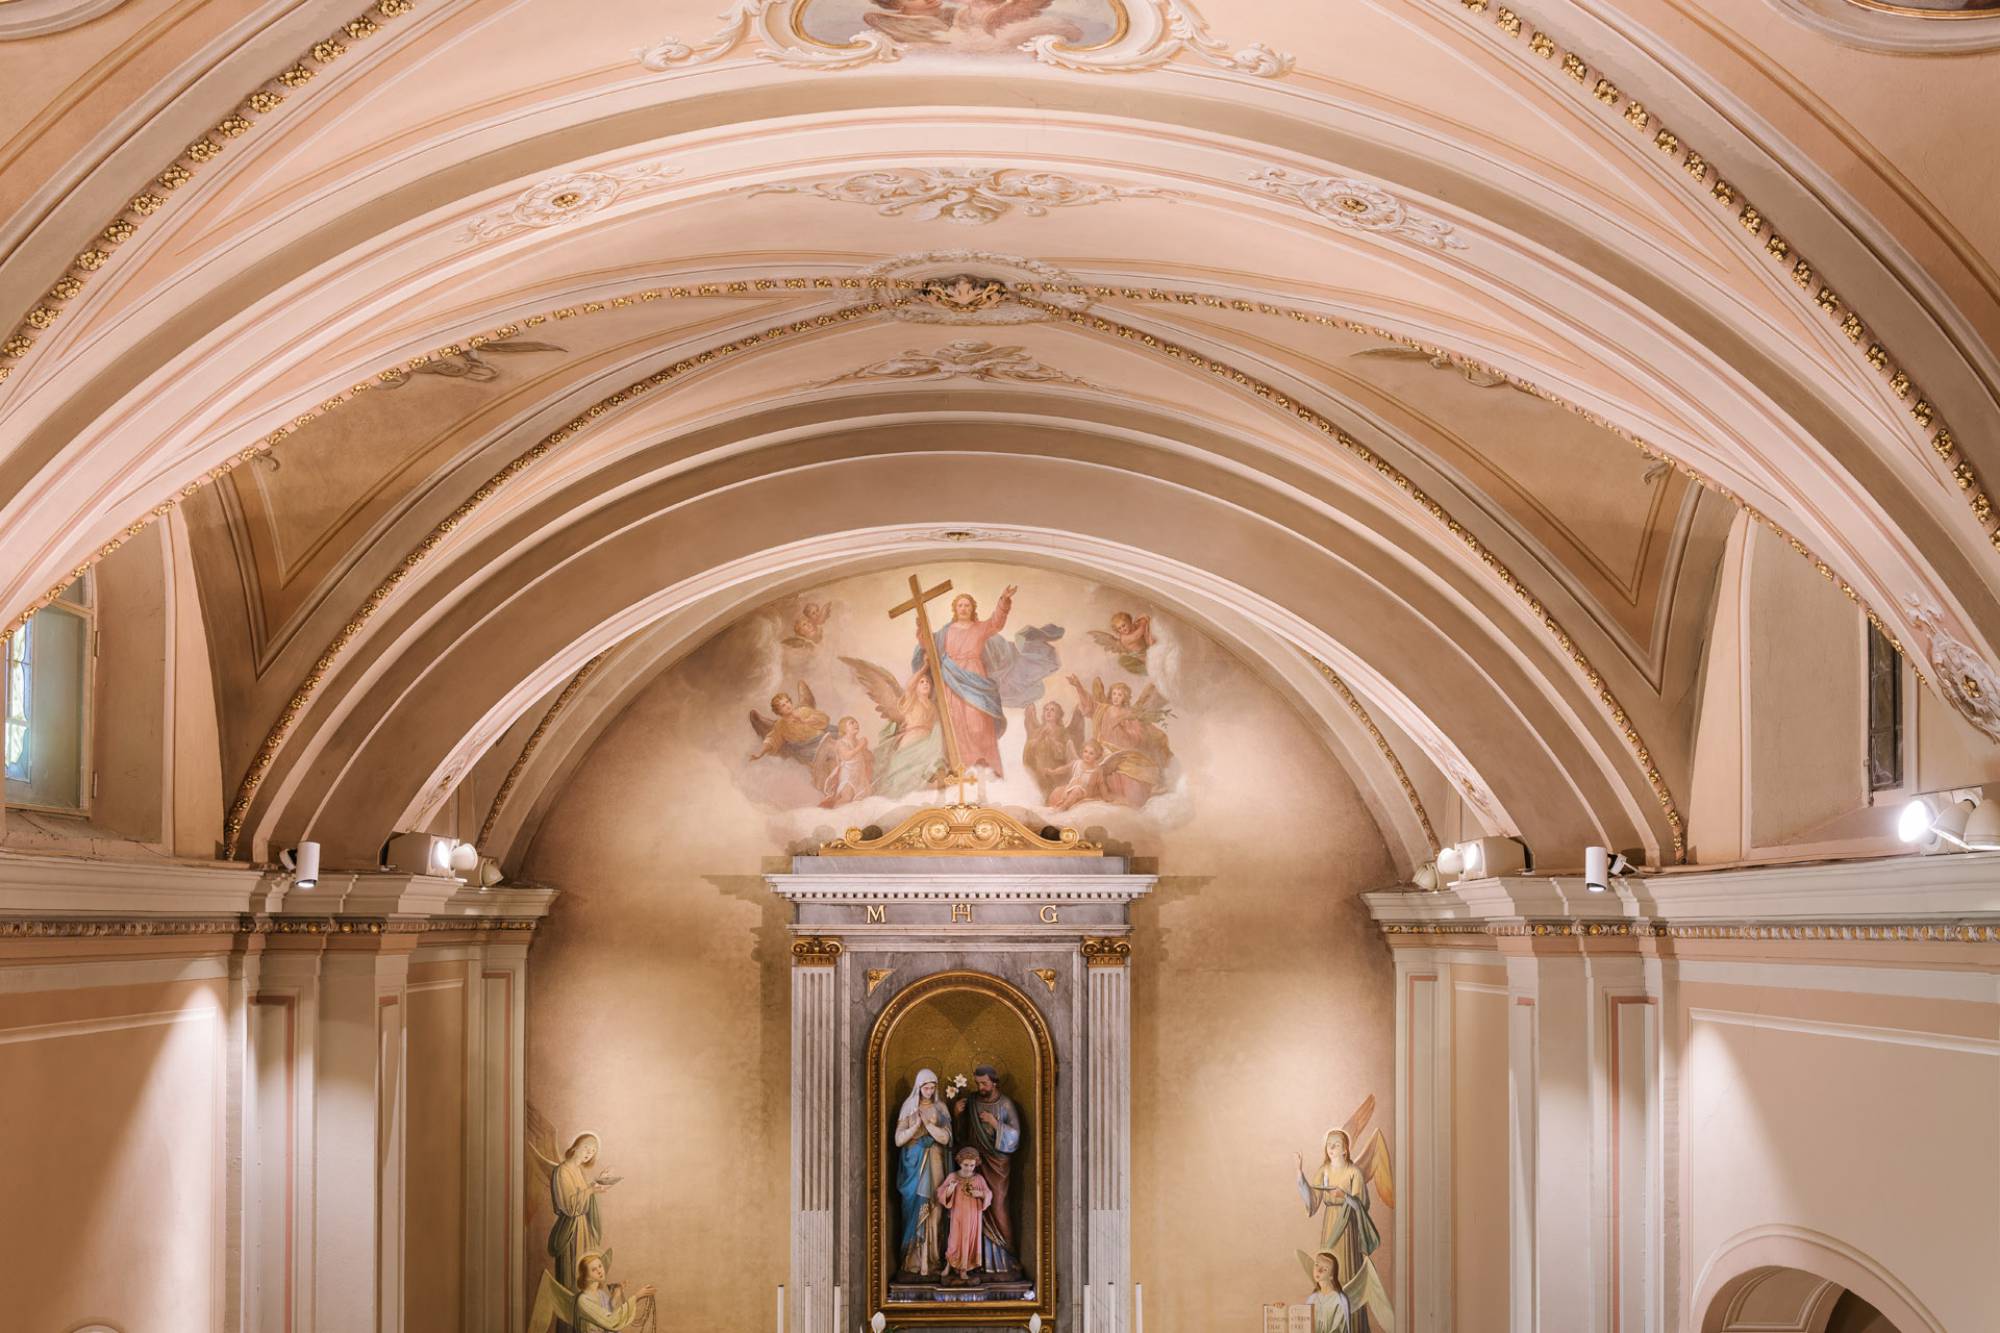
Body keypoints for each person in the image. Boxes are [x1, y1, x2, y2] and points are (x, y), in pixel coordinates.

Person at [914, 587, 1063, 776]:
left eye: (967, 605)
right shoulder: (946, 632)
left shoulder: (980, 628)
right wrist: (921, 628)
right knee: (955, 722)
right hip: (951, 679)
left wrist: (1003, 601)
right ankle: (959, 768)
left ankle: (983, 765)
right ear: (955, 609)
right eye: (960, 605)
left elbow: (996, 623)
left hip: (975, 677)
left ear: (972, 608)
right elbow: (928, 644)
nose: (963, 608)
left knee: (978, 724)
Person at [950, 1065, 1023, 1275]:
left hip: (997, 1163)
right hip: (975, 1163)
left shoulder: (1005, 1104)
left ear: (994, 1082)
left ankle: (1007, 1254)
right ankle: (975, 1259)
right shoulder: (972, 1101)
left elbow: (1016, 1136)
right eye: (978, 1083)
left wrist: (995, 1123)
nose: (980, 1087)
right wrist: (957, 1115)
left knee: (998, 1205)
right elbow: (962, 1136)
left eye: (984, 1083)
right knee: (972, 1209)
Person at [894, 1068, 953, 1278]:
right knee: (915, 1209)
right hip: (914, 1166)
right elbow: (898, 1140)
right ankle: (914, 1261)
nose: (929, 1091)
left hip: (935, 1162)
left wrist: (928, 1126)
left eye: (932, 1088)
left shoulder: (940, 1108)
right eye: (926, 1087)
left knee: (935, 1210)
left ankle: (933, 1259)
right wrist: (915, 1127)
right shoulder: (908, 1107)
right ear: (918, 1087)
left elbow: (947, 1138)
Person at [547, 1134, 619, 1297]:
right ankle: (574, 1311)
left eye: (593, 1151)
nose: (589, 1153)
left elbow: (584, 1195)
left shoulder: (579, 1171)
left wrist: (597, 1183)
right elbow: (570, 1206)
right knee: (572, 1273)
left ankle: (586, 1307)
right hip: (572, 1231)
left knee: (586, 1273)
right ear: (575, 1147)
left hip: (584, 1228)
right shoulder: (562, 1171)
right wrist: (591, 1189)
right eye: (586, 1147)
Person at [936, 1148, 993, 1283]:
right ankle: (948, 1265)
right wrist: (950, 1189)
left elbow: (988, 1193)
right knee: (953, 1241)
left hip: (973, 1216)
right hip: (958, 1215)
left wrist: (980, 1194)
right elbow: (940, 1192)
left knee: (968, 1240)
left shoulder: (978, 1178)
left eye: (972, 1165)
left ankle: (964, 1269)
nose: (969, 1168)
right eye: (966, 1165)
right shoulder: (953, 1177)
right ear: (960, 1163)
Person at [819, 716, 875, 807]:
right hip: (848, 774)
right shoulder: (841, 742)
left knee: (859, 799)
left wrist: (865, 748)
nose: (856, 724)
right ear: (844, 728)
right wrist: (860, 746)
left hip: (859, 775)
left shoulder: (858, 741)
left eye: (856, 722)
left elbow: (866, 758)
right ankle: (834, 812)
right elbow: (847, 756)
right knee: (847, 798)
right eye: (851, 723)